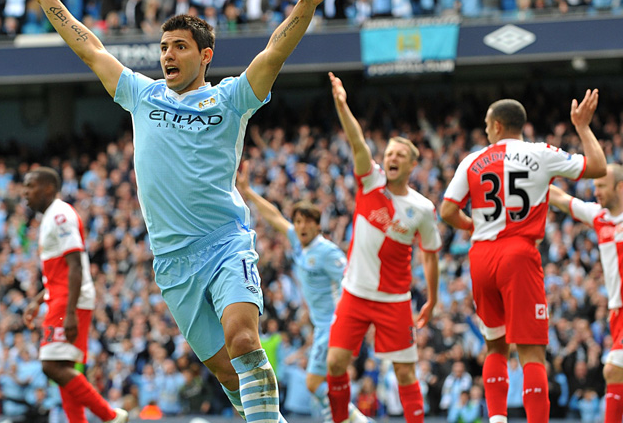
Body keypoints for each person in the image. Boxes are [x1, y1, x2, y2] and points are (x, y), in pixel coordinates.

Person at [17, 0, 342, 423]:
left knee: (245, 341)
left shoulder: (231, 97)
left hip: (225, 242)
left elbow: (274, 51)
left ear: (205, 54)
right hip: (172, 261)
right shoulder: (141, 94)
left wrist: (306, 7)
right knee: (229, 374)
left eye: (179, 46)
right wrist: (48, 0)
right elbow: (90, 47)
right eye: (164, 46)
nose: (167, 54)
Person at [440, 91, 607, 423]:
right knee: (531, 351)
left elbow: (447, 210)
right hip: (519, 253)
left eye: (487, 126)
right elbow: (598, 166)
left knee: (495, 346)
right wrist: (583, 128)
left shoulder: (472, 160)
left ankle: (498, 419)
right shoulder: (541, 153)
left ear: (497, 126)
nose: (486, 132)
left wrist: (474, 225)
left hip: (482, 255)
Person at [325, 72, 441, 423]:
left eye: (400, 154)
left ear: (411, 164)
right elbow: (358, 142)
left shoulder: (422, 208)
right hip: (356, 293)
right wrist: (343, 107)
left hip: (394, 300)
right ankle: (343, 419)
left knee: (406, 374)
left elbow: (430, 255)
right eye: (389, 152)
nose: (392, 157)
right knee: (335, 363)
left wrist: (432, 298)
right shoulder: (370, 179)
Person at [236, 161, 369, 423]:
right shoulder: (299, 242)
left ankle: (355, 419)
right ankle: (343, 418)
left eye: (307, 222)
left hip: (334, 324)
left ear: (317, 225)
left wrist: (353, 320)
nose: (301, 227)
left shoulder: (326, 252)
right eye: (297, 222)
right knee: (323, 382)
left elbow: (351, 281)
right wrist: (248, 192)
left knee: (313, 382)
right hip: (321, 326)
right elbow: (274, 216)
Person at [22, 167, 128, 423]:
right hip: (61, 296)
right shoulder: (51, 216)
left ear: (48, 188)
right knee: (63, 367)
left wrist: (69, 312)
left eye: (30, 186)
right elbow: (59, 271)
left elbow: (76, 264)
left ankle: (111, 415)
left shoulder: (60, 215)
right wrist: (37, 301)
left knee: (52, 366)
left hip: (69, 300)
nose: (25, 193)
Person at [548, 163, 623, 423]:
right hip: (617, 312)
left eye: (602, 185)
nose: (596, 191)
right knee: (615, 373)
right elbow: (562, 198)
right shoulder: (600, 217)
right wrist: (530, 177)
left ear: (620, 187)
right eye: (594, 186)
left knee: (613, 369)